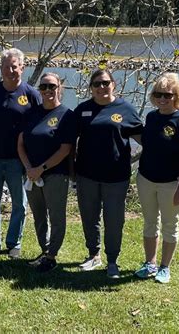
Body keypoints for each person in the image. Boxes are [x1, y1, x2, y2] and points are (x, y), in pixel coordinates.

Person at [74, 69, 142, 279]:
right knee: (89, 217)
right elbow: (67, 142)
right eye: (96, 84)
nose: (101, 87)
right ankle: (94, 255)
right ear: (91, 88)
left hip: (116, 178)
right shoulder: (83, 110)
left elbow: (144, 139)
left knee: (114, 220)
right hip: (86, 176)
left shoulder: (126, 109)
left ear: (114, 84)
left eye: (105, 83)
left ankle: (112, 260)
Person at [134, 73, 179, 284]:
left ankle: (164, 267)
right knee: (150, 223)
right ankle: (149, 263)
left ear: (176, 96)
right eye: (158, 94)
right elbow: (148, 142)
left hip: (171, 183)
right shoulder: (152, 117)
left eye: (167, 95)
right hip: (146, 179)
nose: (162, 99)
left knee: (170, 225)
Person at [0, 48, 41, 258]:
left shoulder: (31, 95)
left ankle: (13, 243)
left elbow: (39, 128)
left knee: (19, 204)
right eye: (6, 67)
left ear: (22, 68)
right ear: (1, 69)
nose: (10, 70)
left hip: (19, 160)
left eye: (14, 66)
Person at [17, 72, 76, 273]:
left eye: (52, 86)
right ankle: (45, 251)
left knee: (56, 216)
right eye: (43, 87)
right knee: (39, 216)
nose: (48, 91)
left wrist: (40, 169)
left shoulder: (66, 115)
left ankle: (51, 256)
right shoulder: (31, 114)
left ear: (59, 87)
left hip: (55, 175)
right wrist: (29, 169)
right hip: (32, 175)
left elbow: (65, 149)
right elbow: (21, 144)